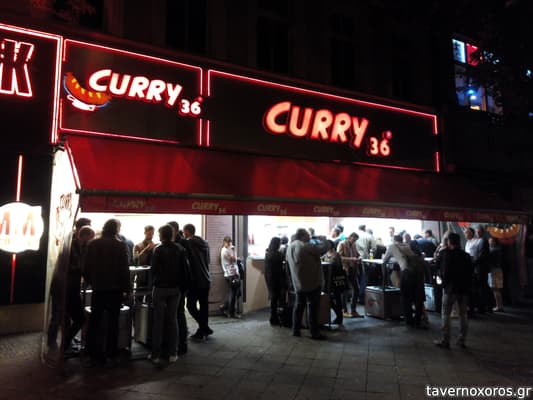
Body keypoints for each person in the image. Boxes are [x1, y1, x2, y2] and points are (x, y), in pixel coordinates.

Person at [83, 219, 131, 366]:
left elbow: (86, 267)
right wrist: (127, 289)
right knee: (113, 322)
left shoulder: (93, 244)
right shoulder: (120, 245)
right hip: (115, 290)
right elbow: (124, 269)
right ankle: (111, 352)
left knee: (95, 321)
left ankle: (93, 353)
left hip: (98, 289)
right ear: (115, 229)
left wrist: (92, 281)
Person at [148, 224, 189, 365]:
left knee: (158, 321)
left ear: (162, 235)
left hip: (160, 288)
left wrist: (153, 284)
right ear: (172, 234)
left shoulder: (158, 249)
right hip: (175, 289)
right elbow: (185, 270)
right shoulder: (180, 249)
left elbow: (153, 270)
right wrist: (183, 287)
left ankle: (155, 354)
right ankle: (173, 353)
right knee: (172, 320)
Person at [286, 228, 328, 340]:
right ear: (302, 235)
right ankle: (314, 333)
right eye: (307, 234)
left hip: (298, 282)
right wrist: (323, 239)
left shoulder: (290, 246)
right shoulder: (306, 246)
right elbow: (323, 249)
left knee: (298, 307)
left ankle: (295, 330)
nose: (309, 236)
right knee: (313, 308)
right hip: (312, 282)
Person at [434, 232, 474, 349]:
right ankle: (462, 340)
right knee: (463, 314)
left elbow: (440, 269)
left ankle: (445, 340)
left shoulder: (445, 254)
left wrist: (444, 285)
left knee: (446, 314)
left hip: (450, 289)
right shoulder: (466, 255)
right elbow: (470, 273)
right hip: (463, 289)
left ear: (449, 241)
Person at [64, 224, 95, 352]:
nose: (91, 241)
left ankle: (66, 343)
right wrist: (82, 270)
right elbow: (71, 266)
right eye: (91, 238)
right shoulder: (73, 247)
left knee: (72, 318)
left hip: (72, 287)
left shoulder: (81, 247)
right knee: (79, 319)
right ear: (84, 236)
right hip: (69, 288)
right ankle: (65, 344)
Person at [383, 234, 425, 328]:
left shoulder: (392, 246)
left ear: (394, 240)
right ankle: (418, 320)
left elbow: (384, 260)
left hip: (407, 273)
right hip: (419, 272)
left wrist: (394, 259)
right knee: (418, 297)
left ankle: (409, 321)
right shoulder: (407, 245)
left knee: (406, 297)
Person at [182, 223, 212, 340]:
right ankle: (203, 329)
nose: (183, 234)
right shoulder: (205, 244)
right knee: (204, 307)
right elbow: (208, 261)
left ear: (187, 232)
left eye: (184, 232)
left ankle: (204, 327)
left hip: (196, 280)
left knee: (190, 305)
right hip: (206, 279)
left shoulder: (189, 243)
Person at [167, 221, 190, 355]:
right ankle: (178, 342)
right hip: (179, 284)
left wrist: (184, 286)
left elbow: (186, 267)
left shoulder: (181, 245)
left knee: (179, 313)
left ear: (174, 230)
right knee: (177, 313)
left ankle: (182, 343)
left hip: (178, 285)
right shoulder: (180, 243)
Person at [337, 232, 364, 318]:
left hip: (353, 269)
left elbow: (357, 254)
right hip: (345, 269)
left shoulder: (353, 245)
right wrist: (351, 259)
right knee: (345, 290)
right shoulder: (342, 244)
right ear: (350, 237)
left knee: (356, 289)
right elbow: (339, 257)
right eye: (353, 239)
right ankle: (344, 310)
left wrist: (359, 257)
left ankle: (353, 310)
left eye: (355, 240)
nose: (354, 241)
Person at [321, 240, 345, 325]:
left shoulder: (336, 255)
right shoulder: (325, 255)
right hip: (327, 281)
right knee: (329, 298)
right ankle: (338, 315)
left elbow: (337, 267)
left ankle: (339, 317)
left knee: (337, 299)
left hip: (335, 280)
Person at [264, 237, 285, 325]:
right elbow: (283, 259)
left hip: (269, 277)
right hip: (276, 278)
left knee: (273, 297)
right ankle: (274, 317)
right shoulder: (277, 255)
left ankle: (273, 317)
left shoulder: (268, 253)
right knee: (275, 298)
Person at [220, 236, 240, 318]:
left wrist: (233, 250)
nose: (229, 245)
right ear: (224, 242)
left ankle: (224, 307)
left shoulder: (229, 249)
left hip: (234, 273)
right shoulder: (225, 251)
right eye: (227, 243)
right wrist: (233, 250)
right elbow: (234, 259)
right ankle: (231, 312)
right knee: (233, 294)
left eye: (230, 243)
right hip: (230, 274)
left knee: (235, 293)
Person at [488, 237, 504, 312]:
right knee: (495, 289)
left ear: (495, 242)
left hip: (495, 270)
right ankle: (499, 305)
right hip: (496, 270)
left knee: (495, 289)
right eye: (489, 241)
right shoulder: (497, 249)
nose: (489, 242)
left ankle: (499, 306)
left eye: (491, 241)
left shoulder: (494, 250)